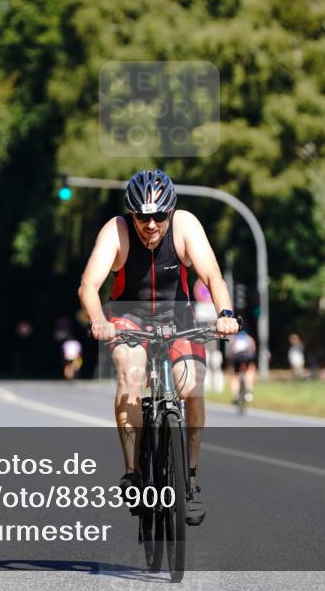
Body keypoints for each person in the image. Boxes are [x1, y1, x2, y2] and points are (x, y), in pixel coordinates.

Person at [79, 169, 239, 526]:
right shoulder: (116, 231)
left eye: (158, 216)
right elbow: (89, 285)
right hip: (127, 316)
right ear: (131, 214)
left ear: (170, 211)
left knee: (191, 388)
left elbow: (212, 276)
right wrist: (98, 321)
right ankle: (133, 471)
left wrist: (225, 313)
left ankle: (191, 478)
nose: (151, 225)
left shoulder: (185, 225)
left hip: (178, 316)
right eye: (142, 216)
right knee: (131, 374)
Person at [229, 330, 257, 402]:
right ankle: (249, 391)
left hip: (237, 356)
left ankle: (235, 395)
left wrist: (232, 361)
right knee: (250, 370)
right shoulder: (249, 338)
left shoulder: (235, 338)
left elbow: (232, 351)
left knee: (235, 376)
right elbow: (253, 348)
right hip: (247, 355)